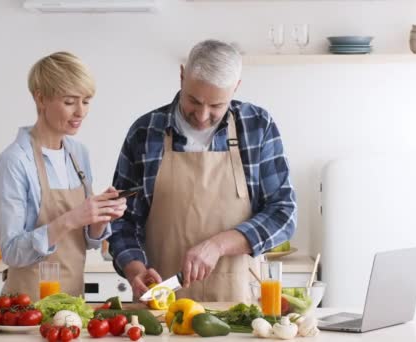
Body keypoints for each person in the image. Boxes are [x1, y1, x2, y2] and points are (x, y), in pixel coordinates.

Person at [109, 40, 297, 302]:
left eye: (216, 106)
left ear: (236, 87)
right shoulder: (145, 132)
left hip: (238, 306)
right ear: (182, 75)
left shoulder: (257, 126)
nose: (202, 115)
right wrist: (134, 269)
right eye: (194, 101)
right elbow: (121, 220)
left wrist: (218, 245)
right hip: (160, 304)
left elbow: (284, 213)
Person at [0, 51, 126, 300]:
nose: (81, 112)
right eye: (70, 101)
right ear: (40, 98)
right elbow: (11, 252)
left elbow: (89, 243)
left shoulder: (78, 153)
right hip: (26, 308)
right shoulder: (13, 163)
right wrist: (71, 219)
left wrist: (100, 216)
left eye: (86, 101)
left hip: (73, 303)